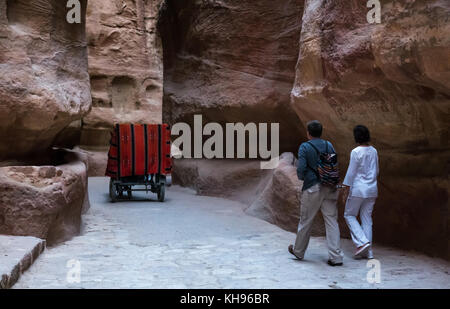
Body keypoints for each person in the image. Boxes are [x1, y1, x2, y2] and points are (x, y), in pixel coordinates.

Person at [288, 120, 344, 266]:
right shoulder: (329, 145)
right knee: (331, 221)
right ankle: (336, 257)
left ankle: (299, 251)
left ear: (308, 133)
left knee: (306, 220)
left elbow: (301, 168)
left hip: (313, 187)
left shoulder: (305, 147)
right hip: (330, 186)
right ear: (321, 132)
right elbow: (333, 164)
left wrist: (303, 178)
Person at [340, 125, 379, 259]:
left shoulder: (355, 152)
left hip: (358, 189)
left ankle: (362, 243)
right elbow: (377, 170)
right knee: (367, 219)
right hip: (372, 189)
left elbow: (351, 173)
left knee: (349, 215)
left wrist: (345, 189)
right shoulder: (374, 151)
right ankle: (369, 252)